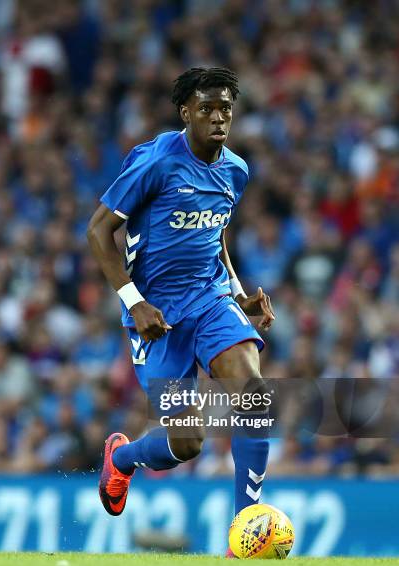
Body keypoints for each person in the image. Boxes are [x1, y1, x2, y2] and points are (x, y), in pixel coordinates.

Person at [87, 67, 275, 532]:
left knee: (253, 394)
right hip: (157, 314)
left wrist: (235, 291)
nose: (218, 117)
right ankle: (123, 457)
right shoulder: (155, 161)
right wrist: (134, 302)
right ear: (186, 111)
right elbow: (98, 230)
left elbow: (217, 230)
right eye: (207, 108)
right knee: (187, 443)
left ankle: (246, 528)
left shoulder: (236, 169)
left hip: (211, 300)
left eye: (226, 108)